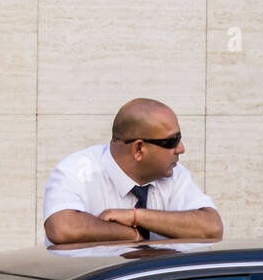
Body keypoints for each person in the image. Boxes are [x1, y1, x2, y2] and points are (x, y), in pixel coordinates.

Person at [43, 99, 222, 246]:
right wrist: (131, 235)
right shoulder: (79, 170)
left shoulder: (174, 174)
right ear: (138, 149)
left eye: (179, 139)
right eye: (171, 141)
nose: (181, 149)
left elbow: (212, 228)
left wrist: (136, 216)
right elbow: (62, 228)